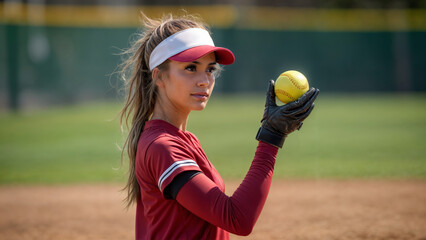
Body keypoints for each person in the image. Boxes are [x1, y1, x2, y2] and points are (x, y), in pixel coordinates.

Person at [119, 13, 319, 240]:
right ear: (159, 77)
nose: (204, 80)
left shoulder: (182, 139)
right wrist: (272, 136)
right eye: (191, 68)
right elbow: (238, 218)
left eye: (210, 69)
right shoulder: (163, 147)